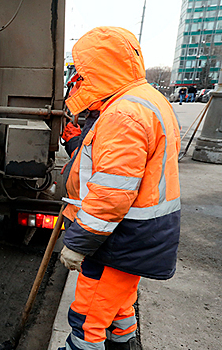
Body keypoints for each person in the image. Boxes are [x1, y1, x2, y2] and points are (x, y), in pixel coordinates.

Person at [58, 27, 181, 350]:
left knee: (87, 319)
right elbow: (117, 165)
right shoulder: (145, 100)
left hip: (119, 239)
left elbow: (111, 194)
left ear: (100, 66)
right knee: (118, 307)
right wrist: (77, 142)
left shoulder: (123, 114)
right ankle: (123, 345)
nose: (78, 79)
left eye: (82, 71)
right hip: (139, 236)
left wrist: (79, 242)